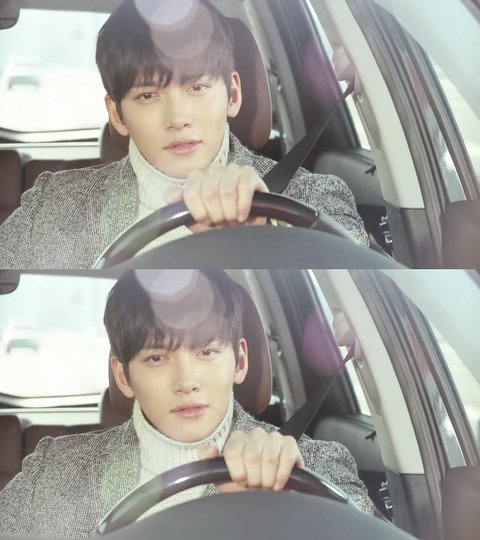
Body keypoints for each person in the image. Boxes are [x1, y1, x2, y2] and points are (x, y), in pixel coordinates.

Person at [0, 269, 375, 536]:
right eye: (156, 358)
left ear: (239, 362)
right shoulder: (55, 472)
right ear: (124, 376)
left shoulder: (314, 468)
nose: (186, 382)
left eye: (206, 352)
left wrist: (288, 516)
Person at [0, 0, 369, 269]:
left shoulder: (311, 197)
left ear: (233, 95)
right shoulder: (53, 205)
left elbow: (363, 278)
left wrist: (268, 232)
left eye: (197, 87)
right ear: (117, 114)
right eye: (148, 95)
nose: (178, 118)